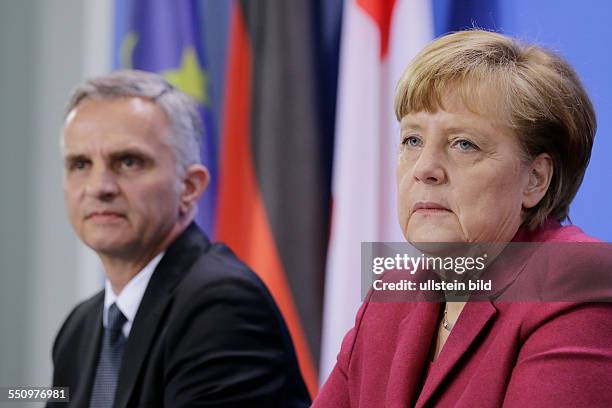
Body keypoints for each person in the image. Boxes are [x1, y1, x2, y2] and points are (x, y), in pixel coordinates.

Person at [313, 30, 612, 407]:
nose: (424, 169)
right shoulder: (392, 294)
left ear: (534, 180)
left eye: (463, 144)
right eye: (412, 141)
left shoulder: (578, 282)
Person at [48, 70, 311, 407]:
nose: (99, 187)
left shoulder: (221, 305)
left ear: (189, 187)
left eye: (128, 161)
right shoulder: (79, 329)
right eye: (80, 164)